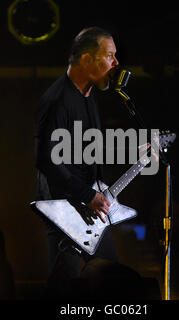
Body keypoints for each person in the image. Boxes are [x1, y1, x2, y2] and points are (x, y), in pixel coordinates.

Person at [34, 26, 120, 297]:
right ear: (86, 60)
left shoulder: (89, 95)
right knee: (65, 286)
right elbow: (46, 161)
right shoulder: (57, 100)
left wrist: (134, 152)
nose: (115, 63)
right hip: (64, 209)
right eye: (109, 55)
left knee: (109, 276)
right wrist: (87, 194)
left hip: (88, 206)